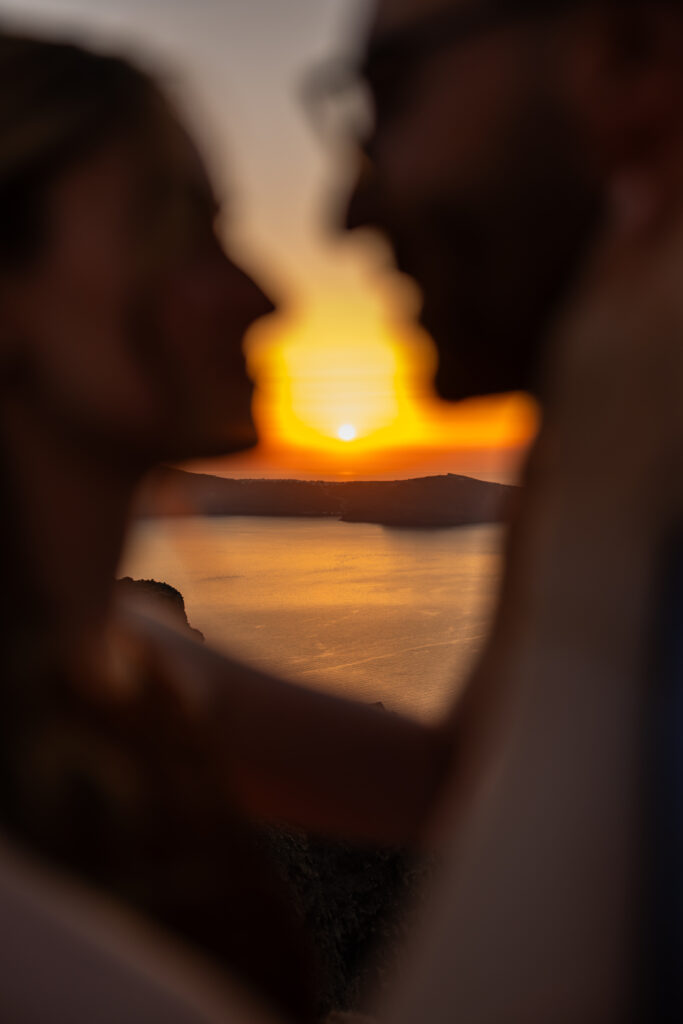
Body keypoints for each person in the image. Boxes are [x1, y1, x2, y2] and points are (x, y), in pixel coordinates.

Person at [321, 0, 683, 1018]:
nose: (344, 210)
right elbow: (466, 771)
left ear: (628, 51)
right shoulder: (601, 435)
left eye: (389, 93)